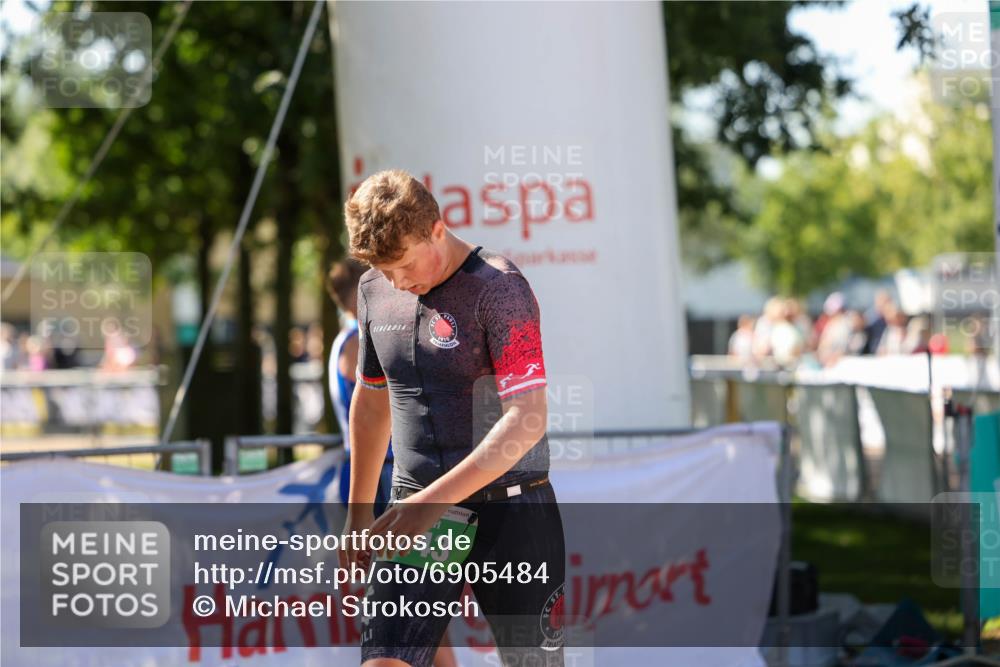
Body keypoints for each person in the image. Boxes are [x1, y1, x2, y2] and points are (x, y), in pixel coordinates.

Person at [338, 169, 565, 667]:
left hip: (510, 510)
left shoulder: (500, 287)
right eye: (385, 269)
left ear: (437, 229)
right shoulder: (374, 288)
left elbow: (528, 417)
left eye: (403, 264)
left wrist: (427, 505)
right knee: (385, 662)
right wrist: (358, 511)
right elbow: (373, 400)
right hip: (415, 507)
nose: (398, 281)